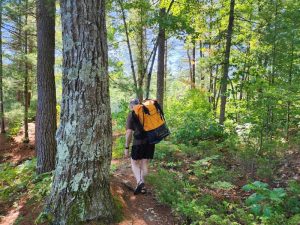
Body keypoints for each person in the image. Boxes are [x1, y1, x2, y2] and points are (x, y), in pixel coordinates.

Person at [124, 98, 155, 195]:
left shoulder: (132, 114)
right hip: (150, 142)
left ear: (131, 105)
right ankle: (142, 185)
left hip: (138, 143)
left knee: (134, 163)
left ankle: (140, 182)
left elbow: (129, 132)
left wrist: (126, 147)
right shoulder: (147, 112)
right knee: (144, 163)